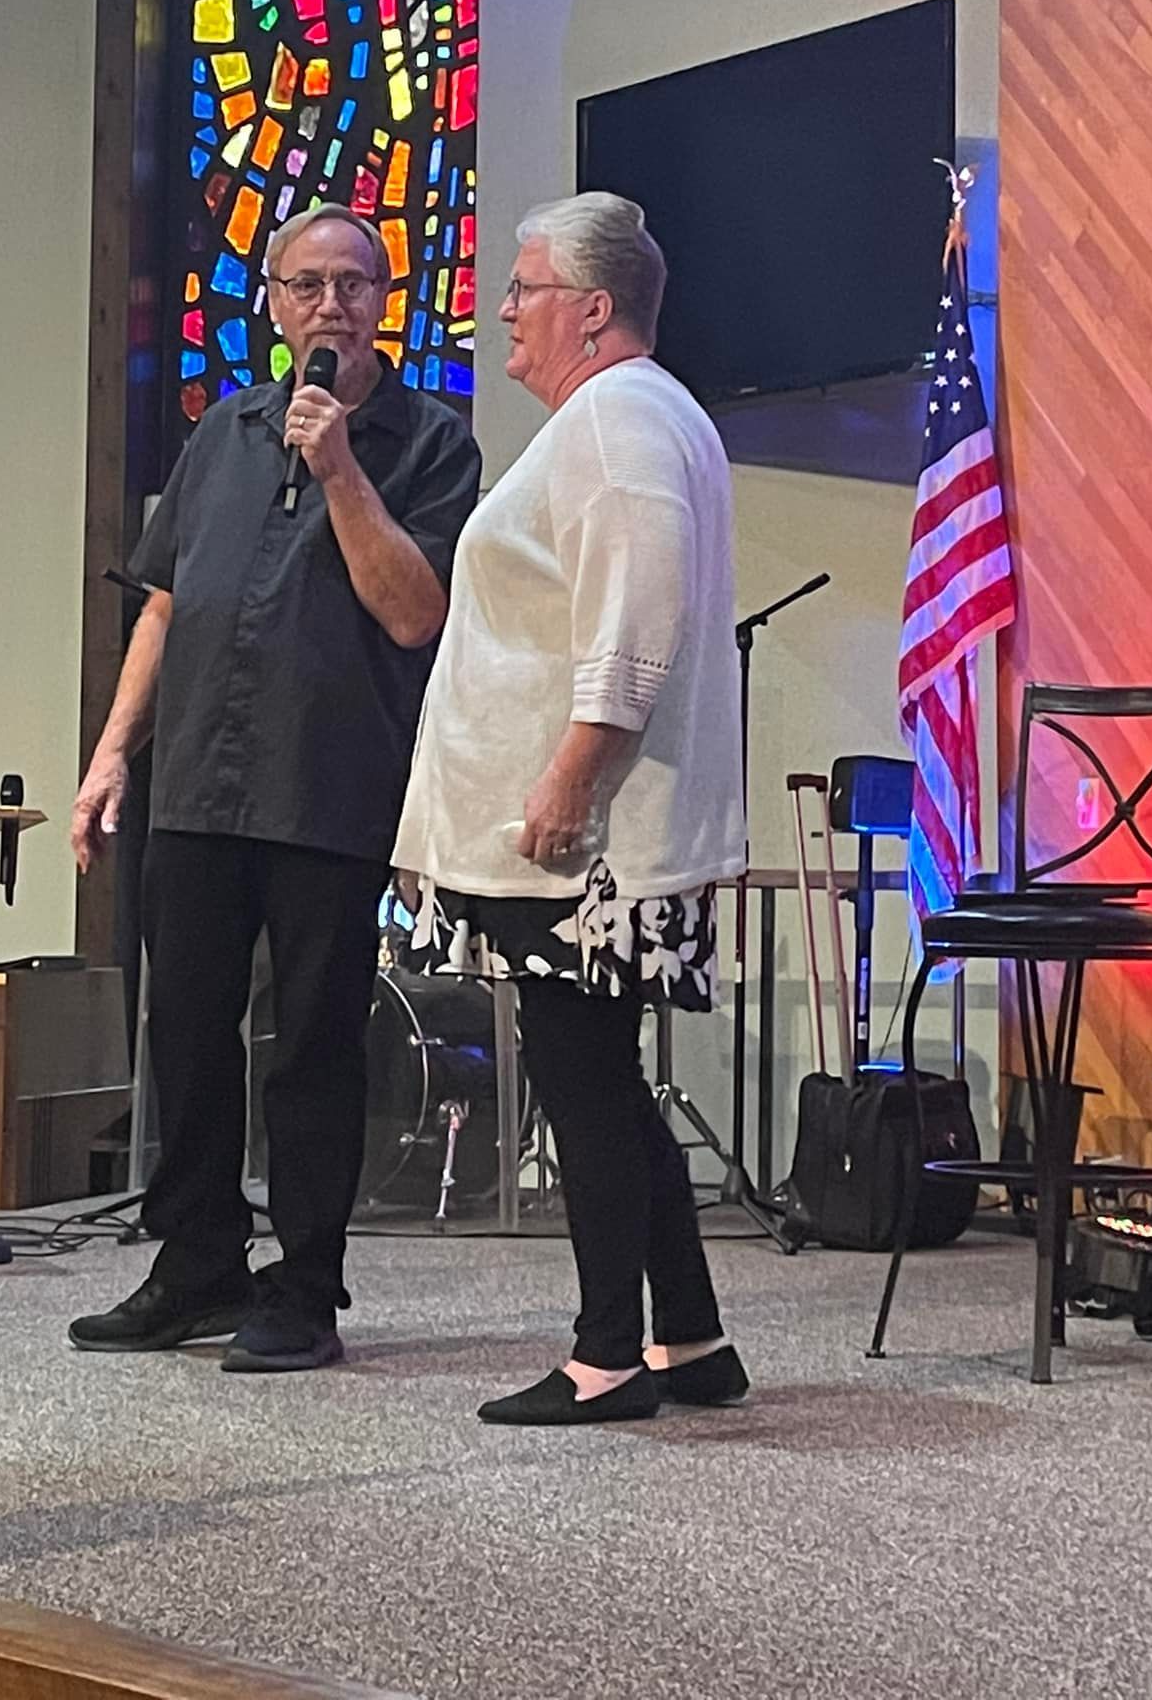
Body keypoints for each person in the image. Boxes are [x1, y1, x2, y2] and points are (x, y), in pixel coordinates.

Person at [69, 205, 481, 1373]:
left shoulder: (430, 441)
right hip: (197, 775)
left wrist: (340, 463)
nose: (332, 304)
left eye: (356, 283)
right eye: (309, 283)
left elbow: (414, 610)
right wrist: (111, 756)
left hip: (329, 783)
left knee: (310, 1047)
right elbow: (165, 604)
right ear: (273, 301)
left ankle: (304, 1286)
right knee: (186, 1035)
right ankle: (195, 1262)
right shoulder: (222, 433)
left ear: (384, 302)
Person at [394, 191, 748, 1425]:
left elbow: (634, 616)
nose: (504, 308)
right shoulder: (633, 415)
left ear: (593, 309)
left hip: (587, 845)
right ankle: (690, 1337)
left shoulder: (617, 419)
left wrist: (567, 777)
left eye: (526, 286)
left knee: (583, 1080)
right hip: (588, 832)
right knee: (601, 1074)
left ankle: (607, 1354)